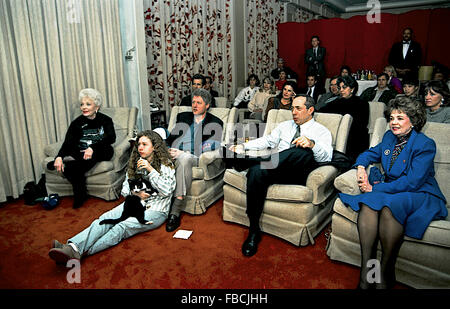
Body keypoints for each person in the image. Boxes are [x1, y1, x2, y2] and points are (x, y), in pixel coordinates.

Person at [338, 96, 447, 289]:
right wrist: (362, 167)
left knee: (389, 206)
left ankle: (386, 272)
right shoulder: (389, 137)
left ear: (413, 120)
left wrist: (375, 187)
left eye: (400, 118)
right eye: (391, 118)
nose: (393, 123)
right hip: (392, 188)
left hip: (420, 192)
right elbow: (369, 154)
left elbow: (413, 182)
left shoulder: (425, 144)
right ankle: (367, 272)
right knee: (369, 203)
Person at [225, 95, 333, 257]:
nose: (293, 112)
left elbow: (327, 158)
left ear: (310, 110)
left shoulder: (321, 131)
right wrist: (243, 146)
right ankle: (254, 230)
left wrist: (312, 144)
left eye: (298, 109)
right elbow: (267, 141)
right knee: (256, 171)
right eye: (292, 109)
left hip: (297, 173)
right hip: (274, 168)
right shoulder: (284, 126)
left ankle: (248, 162)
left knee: (300, 151)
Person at [48, 130, 176, 264]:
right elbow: (125, 190)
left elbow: (167, 191)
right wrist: (135, 194)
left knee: (121, 226)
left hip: (156, 210)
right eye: (139, 144)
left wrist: (151, 170)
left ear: (155, 147)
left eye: (145, 144)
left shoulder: (166, 164)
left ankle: (78, 252)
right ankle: (73, 246)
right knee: (105, 219)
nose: (140, 147)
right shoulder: (135, 163)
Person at [165, 88, 224, 231]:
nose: (195, 106)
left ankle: (175, 210)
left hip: (193, 156)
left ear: (207, 105)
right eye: (193, 102)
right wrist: (166, 148)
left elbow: (214, 144)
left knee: (184, 159)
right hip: (174, 151)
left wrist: (183, 152)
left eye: (199, 103)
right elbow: (171, 137)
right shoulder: (183, 117)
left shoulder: (215, 122)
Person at [47, 88, 116, 209]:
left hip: (101, 151)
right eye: (82, 104)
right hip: (82, 152)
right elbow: (68, 142)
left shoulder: (105, 120)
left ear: (97, 107)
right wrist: (59, 157)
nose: (84, 107)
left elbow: (111, 138)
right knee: (75, 160)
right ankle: (80, 193)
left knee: (75, 164)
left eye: (88, 104)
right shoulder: (76, 123)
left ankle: (74, 180)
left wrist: (93, 147)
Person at [319, 75, 369, 161]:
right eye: (340, 87)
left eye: (344, 87)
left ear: (352, 89)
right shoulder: (336, 102)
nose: (341, 90)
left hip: (356, 138)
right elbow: (321, 112)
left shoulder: (362, 103)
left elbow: (361, 124)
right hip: (336, 135)